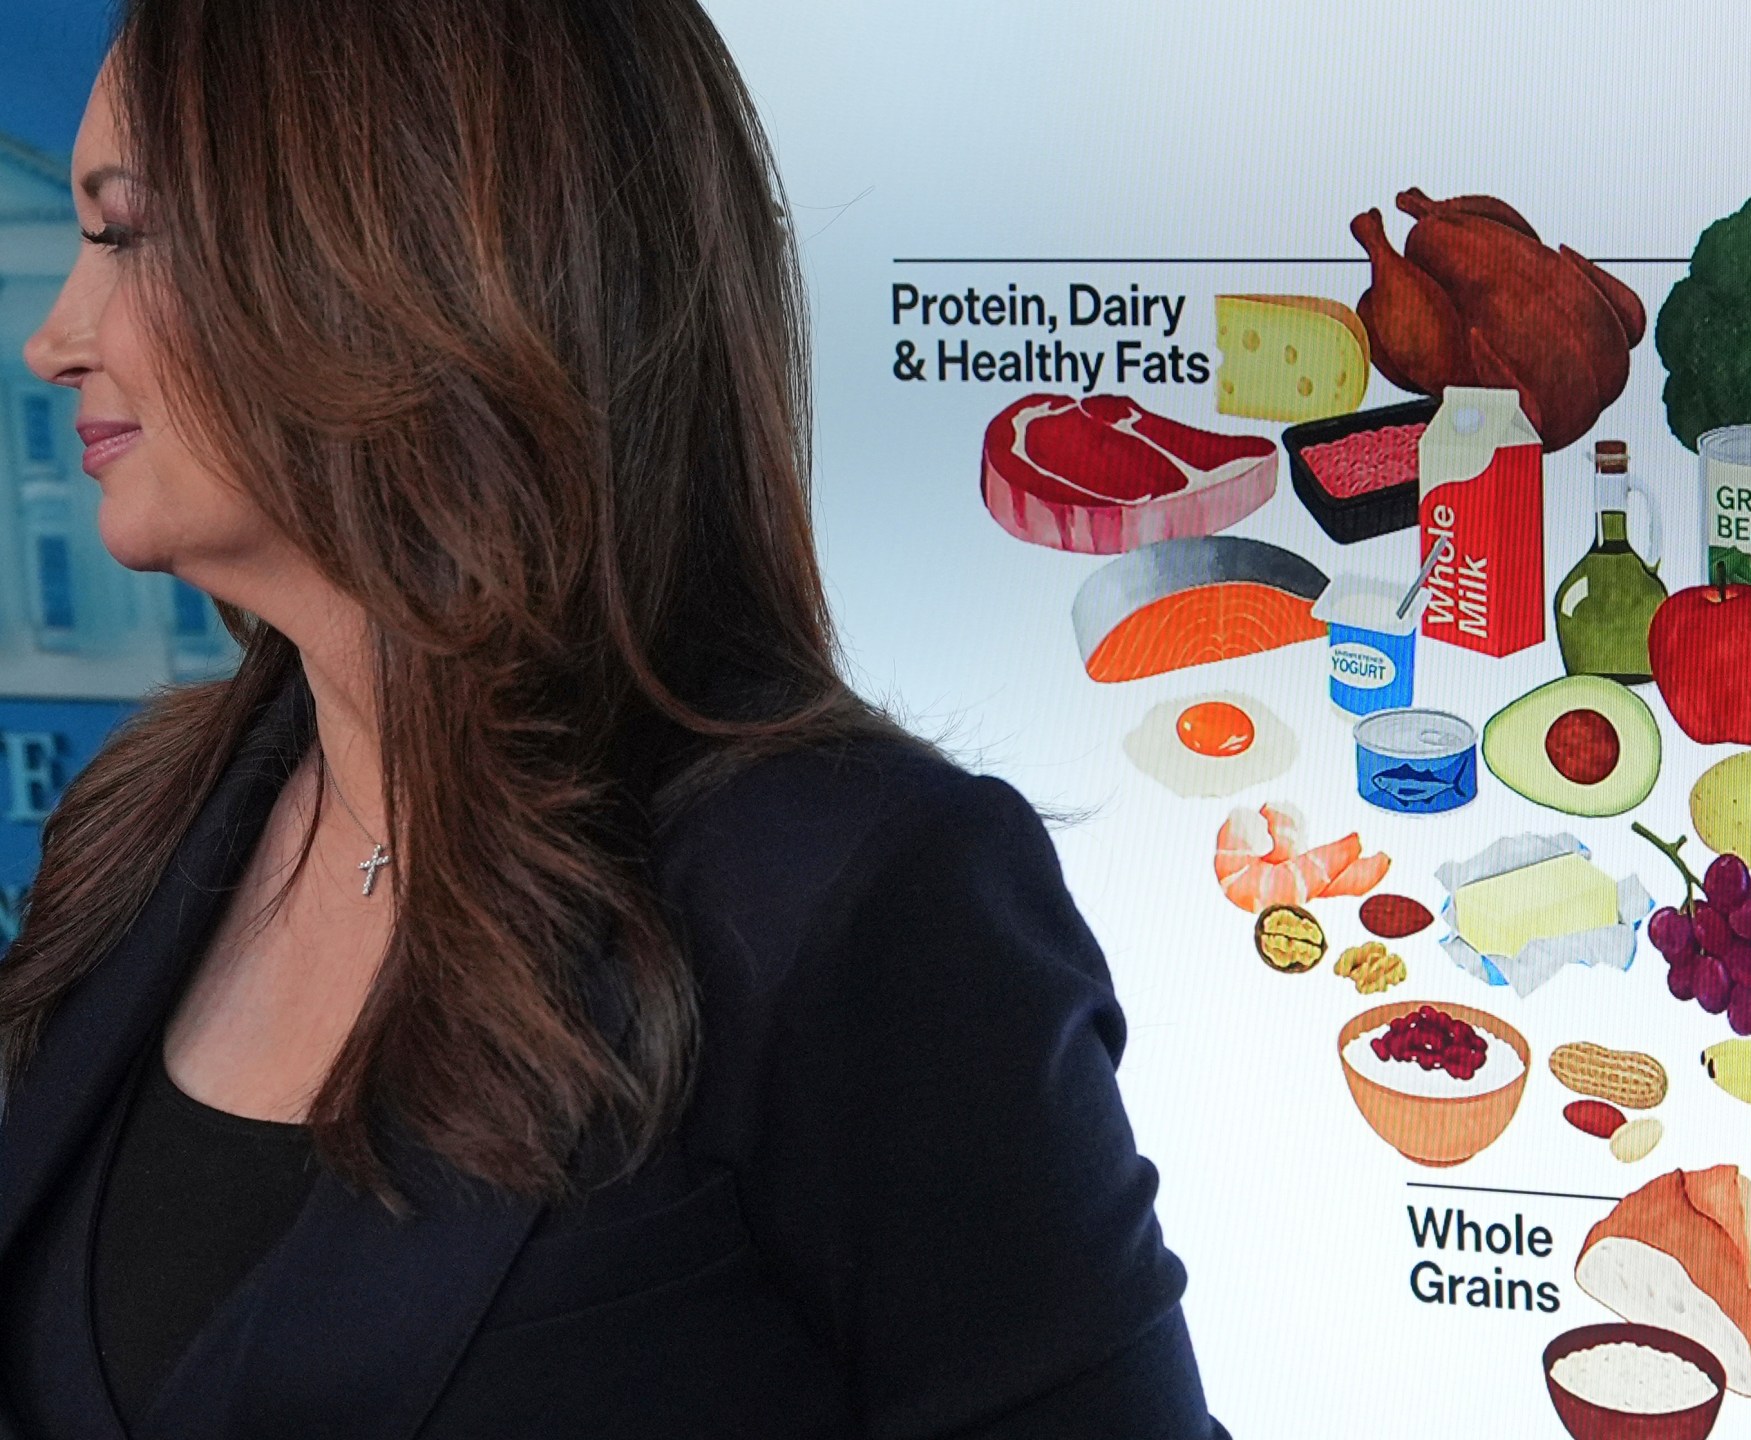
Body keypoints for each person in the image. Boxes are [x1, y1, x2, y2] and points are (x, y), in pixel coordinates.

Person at [0, 1, 1225, 1435]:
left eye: (127, 232)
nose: (50, 341)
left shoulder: (843, 895)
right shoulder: (145, 826)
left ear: (392, 254)